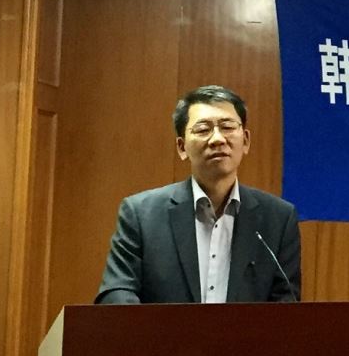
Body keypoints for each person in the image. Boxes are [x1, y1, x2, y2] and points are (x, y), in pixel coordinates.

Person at [95, 84, 300, 304]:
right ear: (182, 147)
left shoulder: (278, 219)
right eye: (203, 130)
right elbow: (116, 292)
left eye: (227, 127)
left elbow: (286, 303)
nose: (217, 139)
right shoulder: (141, 214)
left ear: (246, 141)